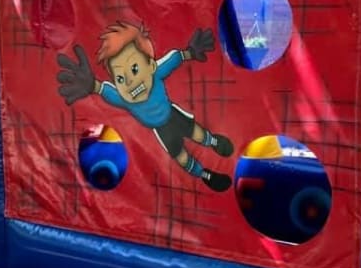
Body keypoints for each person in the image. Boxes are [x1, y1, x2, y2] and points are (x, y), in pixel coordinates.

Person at [57, 21, 234, 191]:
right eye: (120, 79)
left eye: (134, 69)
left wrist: (190, 52)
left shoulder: (156, 74)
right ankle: (204, 174)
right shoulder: (123, 98)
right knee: (181, 157)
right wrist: (92, 85)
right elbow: (104, 89)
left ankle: (213, 141)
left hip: (173, 115)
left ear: (150, 65)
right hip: (161, 130)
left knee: (197, 133)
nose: (129, 82)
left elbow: (173, 59)